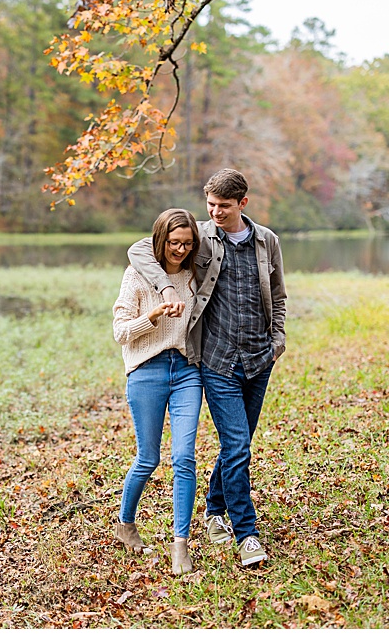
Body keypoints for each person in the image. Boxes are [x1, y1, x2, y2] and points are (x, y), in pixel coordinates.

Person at [126, 169, 287, 569]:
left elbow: (278, 295)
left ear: (242, 203)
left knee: (238, 444)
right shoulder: (201, 236)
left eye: (224, 206)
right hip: (216, 361)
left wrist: (278, 340)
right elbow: (139, 249)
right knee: (238, 446)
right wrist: (166, 288)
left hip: (258, 358)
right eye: (210, 204)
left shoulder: (267, 241)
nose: (215, 212)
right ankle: (246, 534)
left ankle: (214, 509)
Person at [111, 208, 203, 577]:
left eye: (188, 243)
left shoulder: (194, 276)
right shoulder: (136, 275)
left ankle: (180, 544)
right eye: (174, 242)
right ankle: (125, 524)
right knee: (148, 459)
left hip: (186, 371)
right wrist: (152, 316)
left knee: (184, 457)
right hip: (146, 371)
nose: (181, 250)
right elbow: (120, 332)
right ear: (161, 240)